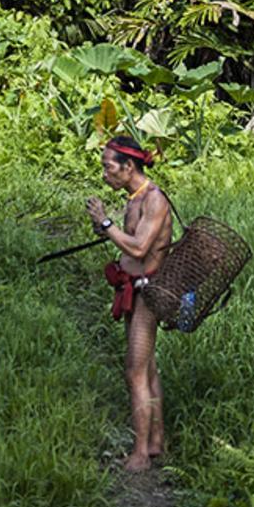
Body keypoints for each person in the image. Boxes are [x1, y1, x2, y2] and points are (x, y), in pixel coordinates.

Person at [87, 135, 173, 471]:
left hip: (148, 293)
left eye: (109, 167)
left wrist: (106, 222)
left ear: (129, 166)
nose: (105, 174)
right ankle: (155, 442)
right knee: (147, 367)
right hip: (132, 289)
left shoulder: (154, 200)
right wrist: (105, 228)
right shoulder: (134, 197)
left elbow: (138, 249)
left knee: (135, 370)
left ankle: (140, 454)